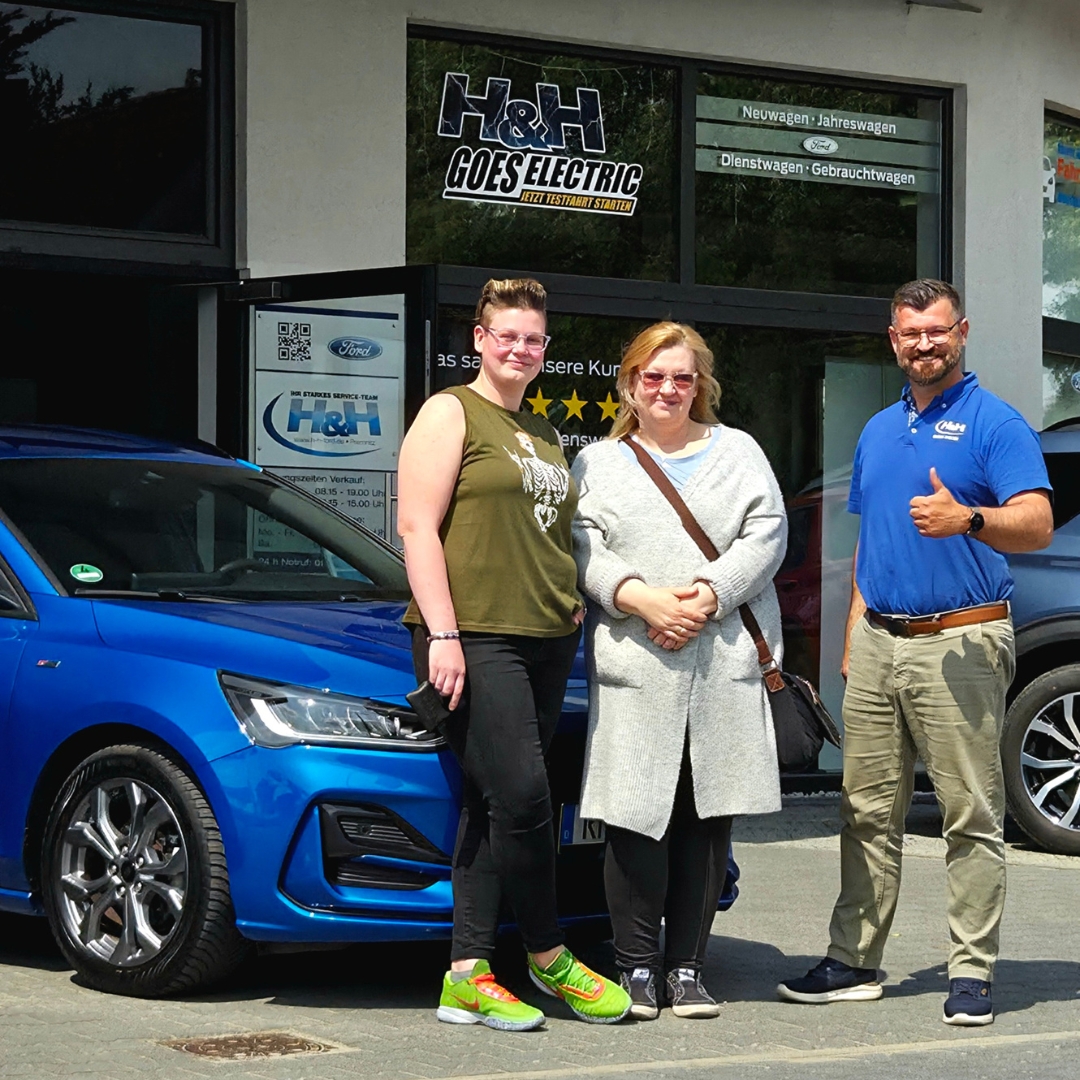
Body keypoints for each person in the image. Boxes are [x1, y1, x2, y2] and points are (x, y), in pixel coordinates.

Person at [777, 279, 1053, 1027]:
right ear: (893, 339)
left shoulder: (996, 423)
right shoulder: (877, 429)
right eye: (911, 333)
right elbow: (873, 540)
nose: (925, 344)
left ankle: (971, 972)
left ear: (961, 332)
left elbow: (1036, 523)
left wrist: (969, 519)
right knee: (866, 809)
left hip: (960, 639)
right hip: (878, 640)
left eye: (937, 330)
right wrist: (853, 633)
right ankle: (854, 960)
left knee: (969, 814)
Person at [397, 277, 631, 1031]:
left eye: (534, 339)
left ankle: (466, 974)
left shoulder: (542, 430)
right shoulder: (450, 412)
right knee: (527, 798)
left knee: (493, 802)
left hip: (547, 636)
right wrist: (443, 634)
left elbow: (546, 533)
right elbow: (416, 527)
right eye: (508, 336)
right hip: (475, 634)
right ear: (480, 339)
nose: (521, 350)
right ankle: (548, 954)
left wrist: (568, 596)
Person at [571, 322, 787, 1020]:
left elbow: (768, 533)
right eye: (654, 376)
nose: (667, 389)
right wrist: (642, 599)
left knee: (706, 820)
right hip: (638, 660)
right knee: (634, 819)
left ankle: (688, 968)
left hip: (720, 659)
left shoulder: (740, 451)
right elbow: (580, 546)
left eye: (682, 377)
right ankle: (636, 965)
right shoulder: (597, 463)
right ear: (631, 383)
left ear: (701, 385)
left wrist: (706, 596)